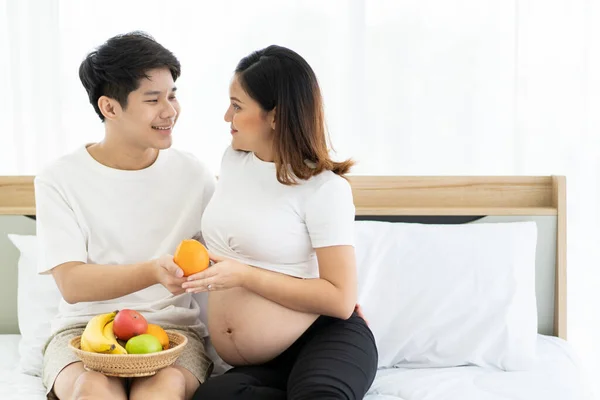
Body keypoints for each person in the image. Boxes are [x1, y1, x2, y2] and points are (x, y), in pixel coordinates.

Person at [186, 45, 378, 399]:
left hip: (323, 336)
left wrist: (244, 276)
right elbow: (238, 237)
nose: (227, 117)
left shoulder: (325, 190)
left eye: (238, 106)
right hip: (260, 363)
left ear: (275, 116)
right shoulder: (233, 162)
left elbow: (339, 298)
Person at [35, 31, 215, 400]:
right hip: (81, 331)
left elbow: (232, 250)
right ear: (109, 107)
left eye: (173, 95)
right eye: (153, 99)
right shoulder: (60, 178)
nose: (170, 111)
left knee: (161, 389)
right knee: (93, 389)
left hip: (173, 333)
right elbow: (72, 283)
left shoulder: (194, 175)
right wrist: (151, 271)